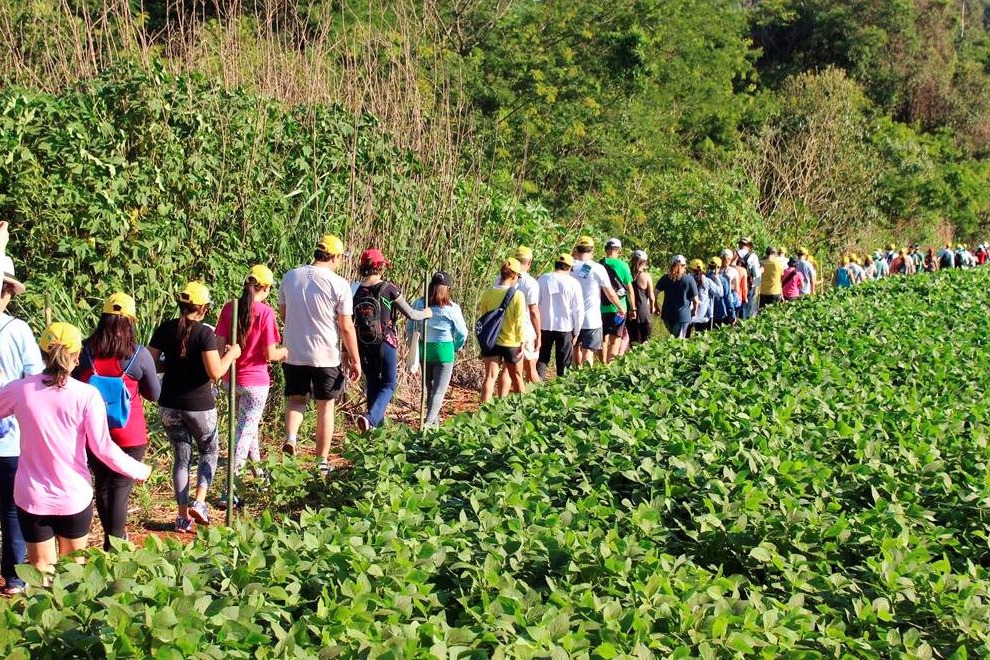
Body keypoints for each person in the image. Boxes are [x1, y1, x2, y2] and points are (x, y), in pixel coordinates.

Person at [0, 323, 151, 576]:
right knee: (72, 572)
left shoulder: (19, 390)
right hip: (74, 497)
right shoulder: (87, 395)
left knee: (41, 571)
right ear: (76, 357)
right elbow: (103, 448)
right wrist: (138, 469)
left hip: (32, 497)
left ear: (42, 354)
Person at [149, 282, 240, 532]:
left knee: (181, 457)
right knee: (209, 451)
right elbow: (216, 372)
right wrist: (232, 355)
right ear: (202, 308)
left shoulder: (165, 329)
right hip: (198, 405)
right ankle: (199, 502)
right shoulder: (203, 333)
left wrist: (174, 365)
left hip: (169, 403)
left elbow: (151, 363)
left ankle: (181, 516)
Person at [73, 293, 160, 550]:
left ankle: (110, 541)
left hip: (94, 431)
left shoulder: (86, 350)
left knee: (102, 485)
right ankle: (116, 543)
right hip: (130, 434)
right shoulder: (138, 355)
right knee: (120, 488)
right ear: (131, 322)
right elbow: (153, 394)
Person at [279, 235, 361, 477]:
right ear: (335, 256)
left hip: (294, 352)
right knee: (326, 407)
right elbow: (346, 326)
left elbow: (284, 313)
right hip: (325, 354)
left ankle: (291, 438)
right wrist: (354, 358)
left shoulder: (290, 276)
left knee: (296, 400)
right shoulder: (339, 284)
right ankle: (321, 460)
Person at [215, 265, 287, 494]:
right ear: (264, 288)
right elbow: (270, 354)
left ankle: (259, 477)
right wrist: (285, 352)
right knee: (244, 432)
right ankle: (231, 487)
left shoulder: (229, 308)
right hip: (256, 382)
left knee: (249, 427)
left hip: (231, 379)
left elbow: (219, 347)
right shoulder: (266, 313)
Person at [0, 222, 43, 595]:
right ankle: (14, 578)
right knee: (11, 510)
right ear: (8, 292)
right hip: (10, 438)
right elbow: (35, 380)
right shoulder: (19, 330)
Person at [351, 249, 431, 432]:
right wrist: (427, 313)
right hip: (385, 342)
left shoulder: (354, 289)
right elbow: (411, 314)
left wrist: (347, 351)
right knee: (389, 383)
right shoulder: (389, 288)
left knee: (372, 382)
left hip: (363, 344)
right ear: (380, 267)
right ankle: (370, 418)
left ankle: (373, 431)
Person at [408, 272, 468, 428]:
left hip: (424, 349)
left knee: (429, 388)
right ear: (447, 288)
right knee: (439, 391)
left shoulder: (419, 304)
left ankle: (433, 422)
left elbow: (410, 326)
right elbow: (462, 332)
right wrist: (457, 346)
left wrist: (412, 345)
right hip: (444, 350)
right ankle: (428, 423)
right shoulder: (452, 309)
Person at [479, 258, 527, 402]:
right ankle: (523, 408)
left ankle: (483, 412)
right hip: (511, 342)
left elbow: (484, 317)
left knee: (490, 377)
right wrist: (522, 341)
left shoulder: (488, 293)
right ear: (514, 276)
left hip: (491, 342)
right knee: (517, 378)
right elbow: (519, 321)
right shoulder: (518, 295)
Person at [570, 236, 622, 368]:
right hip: (591, 318)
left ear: (577, 249)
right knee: (588, 350)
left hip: (572, 317)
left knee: (576, 346)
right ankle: (586, 378)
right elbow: (610, 293)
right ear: (592, 250)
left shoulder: (569, 267)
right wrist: (621, 308)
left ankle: (577, 371)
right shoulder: (597, 268)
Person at [498, 246, 541, 393]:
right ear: (529, 262)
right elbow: (534, 311)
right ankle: (539, 398)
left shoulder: (501, 278)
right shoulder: (530, 283)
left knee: (507, 368)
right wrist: (539, 334)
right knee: (530, 367)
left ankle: (500, 401)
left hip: (504, 327)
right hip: (525, 328)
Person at [536, 254, 584, 378]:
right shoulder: (573, 283)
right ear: (569, 268)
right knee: (564, 360)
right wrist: (577, 331)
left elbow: (535, 303)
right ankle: (561, 387)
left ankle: (537, 384)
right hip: (565, 326)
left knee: (542, 357)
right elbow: (578, 309)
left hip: (544, 324)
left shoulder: (543, 279)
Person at [600, 238, 635, 362]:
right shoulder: (623, 265)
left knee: (603, 339)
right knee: (615, 340)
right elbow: (630, 289)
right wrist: (633, 308)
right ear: (619, 250)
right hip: (619, 308)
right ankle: (609, 367)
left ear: (606, 249)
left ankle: (603, 364)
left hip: (601, 308)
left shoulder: (598, 264)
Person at [656, 255, 699, 339]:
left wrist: (655, 306)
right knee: (678, 341)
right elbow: (696, 300)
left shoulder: (665, 278)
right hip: (682, 316)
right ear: (684, 266)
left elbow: (654, 294)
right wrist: (694, 311)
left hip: (667, 315)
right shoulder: (689, 279)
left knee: (673, 338)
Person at [687, 259, 722, 336]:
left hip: (688, 315)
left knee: (684, 341)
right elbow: (720, 293)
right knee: (700, 342)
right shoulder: (707, 281)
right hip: (702, 316)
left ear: (690, 269)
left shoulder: (687, 280)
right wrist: (716, 277)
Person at [627, 250, 655, 344]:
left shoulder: (628, 275)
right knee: (645, 342)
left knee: (633, 342)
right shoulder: (646, 276)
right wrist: (652, 307)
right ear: (645, 262)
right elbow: (651, 296)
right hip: (644, 313)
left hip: (631, 313)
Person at [737, 238, 761, 318]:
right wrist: (756, 287)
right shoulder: (752, 256)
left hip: (735, 285)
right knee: (746, 309)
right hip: (747, 285)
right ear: (749, 245)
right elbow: (757, 274)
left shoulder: (734, 254)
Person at [707, 257, 735, 327]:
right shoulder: (723, 280)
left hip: (707, 313)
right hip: (720, 313)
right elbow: (727, 298)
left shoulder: (704, 278)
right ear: (719, 267)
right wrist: (732, 314)